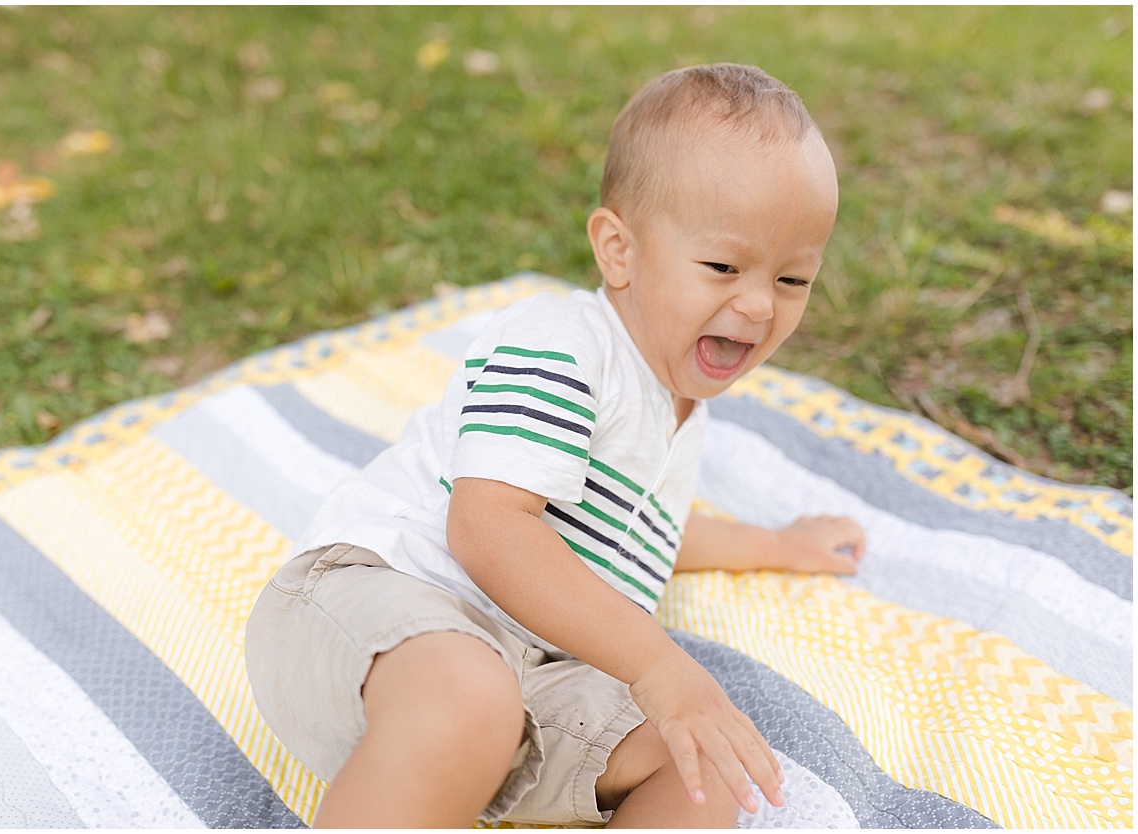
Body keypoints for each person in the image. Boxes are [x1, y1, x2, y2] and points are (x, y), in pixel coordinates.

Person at [246, 64, 870, 828]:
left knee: (702, 764)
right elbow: (488, 526)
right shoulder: (564, 347)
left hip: (530, 682)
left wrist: (774, 543)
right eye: (723, 266)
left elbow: (647, 535)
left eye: (792, 279)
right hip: (382, 609)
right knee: (470, 695)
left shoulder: (682, 410)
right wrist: (657, 665)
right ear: (619, 250)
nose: (756, 303)